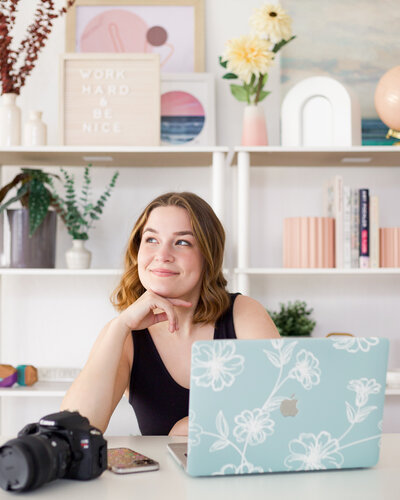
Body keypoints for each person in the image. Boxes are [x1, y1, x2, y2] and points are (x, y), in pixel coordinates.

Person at [61, 192, 279, 436]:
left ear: (208, 256)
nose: (162, 255)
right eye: (151, 239)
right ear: (137, 252)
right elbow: (72, 432)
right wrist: (120, 327)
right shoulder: (124, 336)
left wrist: (191, 427)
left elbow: (285, 409)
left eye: (182, 242)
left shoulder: (243, 314)